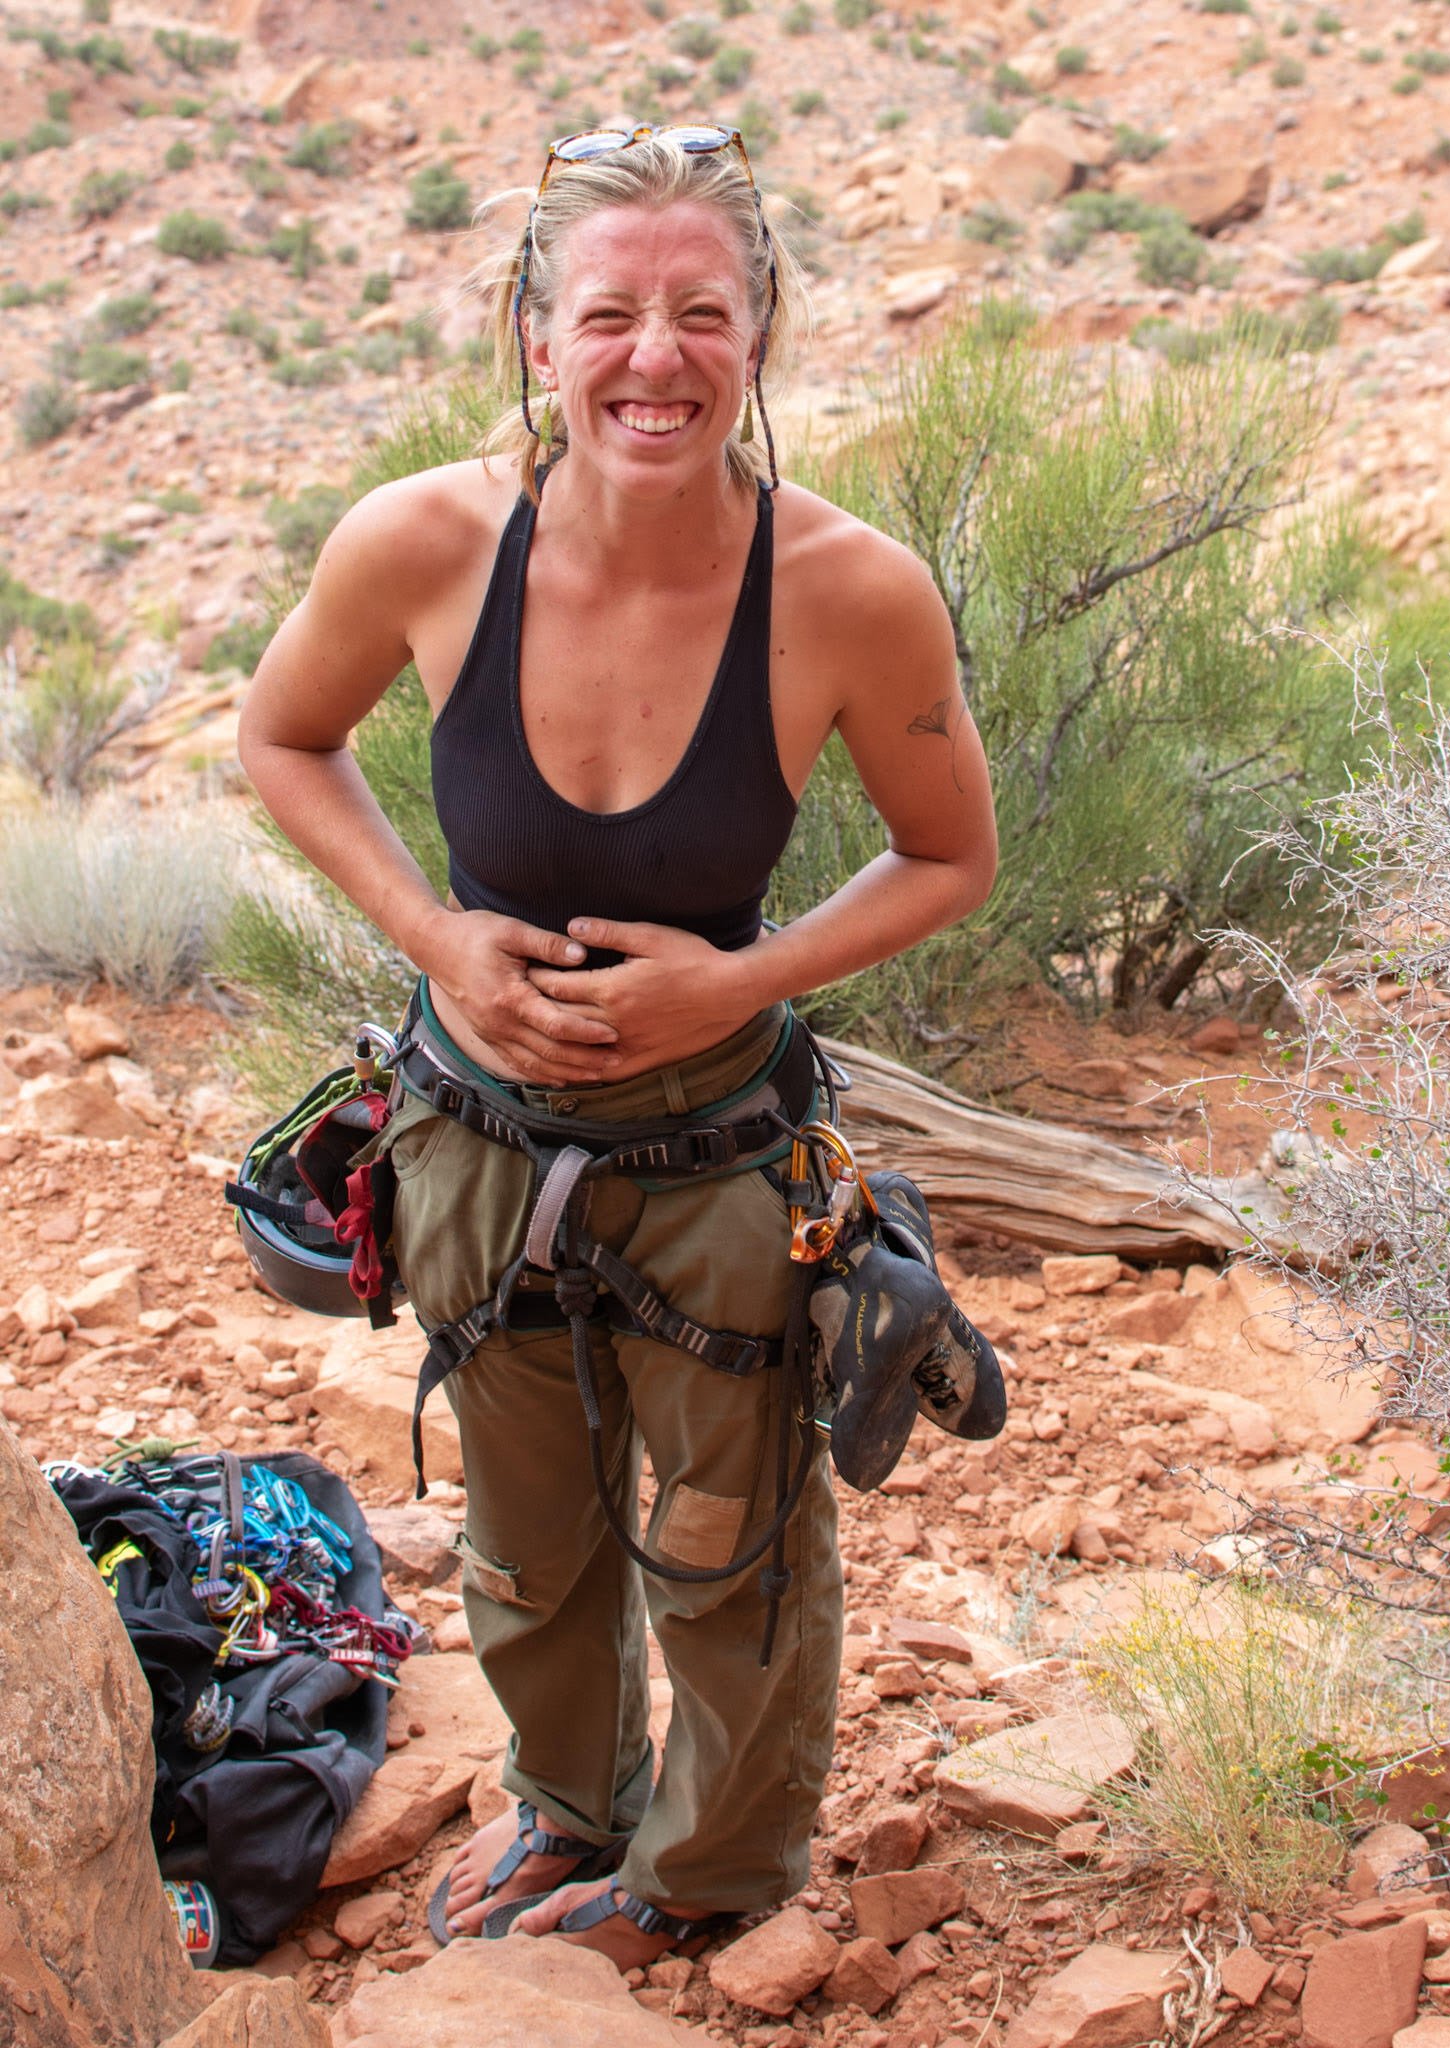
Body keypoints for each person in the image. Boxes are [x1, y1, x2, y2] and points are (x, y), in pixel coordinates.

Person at [237, 125, 997, 1969]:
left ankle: (708, 1875)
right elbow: (282, 737)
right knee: (527, 1532)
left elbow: (951, 855)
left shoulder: (849, 590)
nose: (655, 356)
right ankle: (570, 1808)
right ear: (535, 334)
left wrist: (740, 983)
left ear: (761, 335)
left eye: (701, 314)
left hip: (718, 1158)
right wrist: (434, 936)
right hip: (471, 1143)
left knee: (732, 1543)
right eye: (608, 314)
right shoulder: (424, 543)